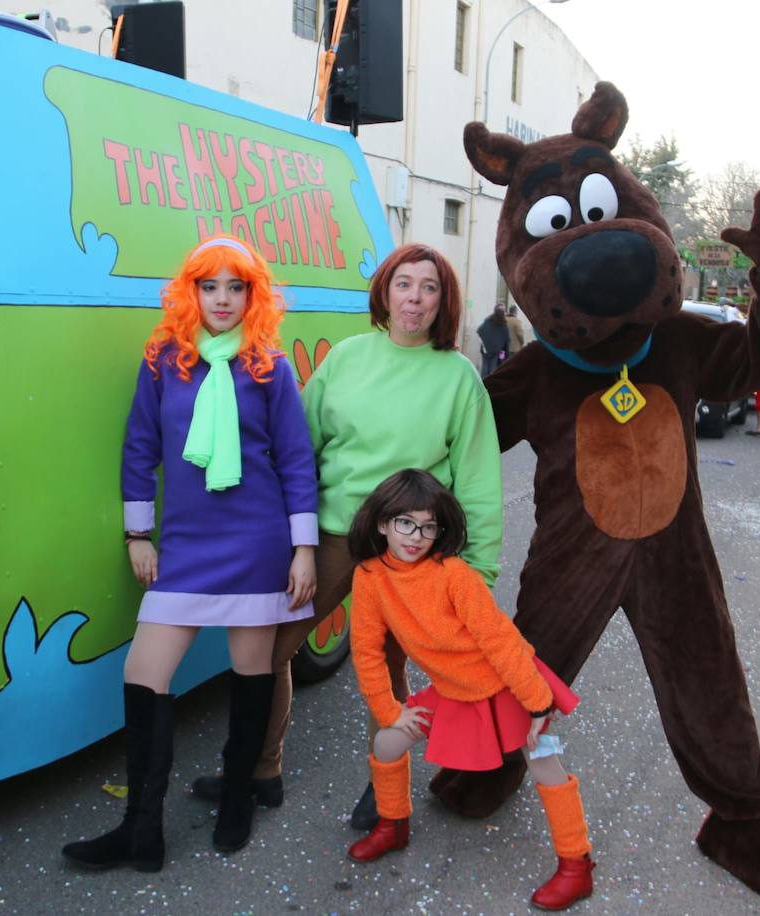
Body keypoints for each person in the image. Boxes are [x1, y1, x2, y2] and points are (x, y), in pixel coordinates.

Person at [189, 244, 503, 832]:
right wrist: (278, 530)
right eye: (403, 284)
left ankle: (386, 791)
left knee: (385, 672)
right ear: (384, 292)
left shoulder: (460, 378)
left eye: (428, 287)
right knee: (271, 649)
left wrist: (477, 572)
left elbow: (480, 480)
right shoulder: (347, 359)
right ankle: (261, 771)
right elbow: (298, 446)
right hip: (333, 534)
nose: (414, 298)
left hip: (408, 552)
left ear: (444, 301)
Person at [60, 236, 318, 872]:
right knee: (143, 673)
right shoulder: (162, 362)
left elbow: (294, 461)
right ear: (191, 292)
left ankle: (237, 798)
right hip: (185, 544)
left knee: (251, 675)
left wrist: (304, 549)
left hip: (258, 541)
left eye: (236, 287)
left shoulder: (270, 367)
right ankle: (139, 827)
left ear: (253, 296)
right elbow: (138, 447)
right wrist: (137, 534)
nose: (223, 299)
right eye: (210, 286)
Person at [343, 469, 591, 910]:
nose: (416, 535)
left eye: (427, 526)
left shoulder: (453, 574)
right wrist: (389, 709)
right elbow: (366, 650)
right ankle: (392, 825)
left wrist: (537, 704)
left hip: (508, 684)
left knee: (544, 761)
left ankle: (576, 866)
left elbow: (500, 639)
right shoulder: (370, 577)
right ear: (382, 523)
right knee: (386, 741)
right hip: (453, 692)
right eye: (405, 522)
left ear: (440, 530)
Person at [476, 304, 512, 377]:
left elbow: (480, 330)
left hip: (485, 349)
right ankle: (490, 384)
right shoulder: (504, 326)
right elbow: (506, 342)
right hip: (496, 351)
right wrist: (505, 357)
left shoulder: (488, 321)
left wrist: (485, 341)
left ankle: (483, 383)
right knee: (493, 368)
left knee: (485, 367)